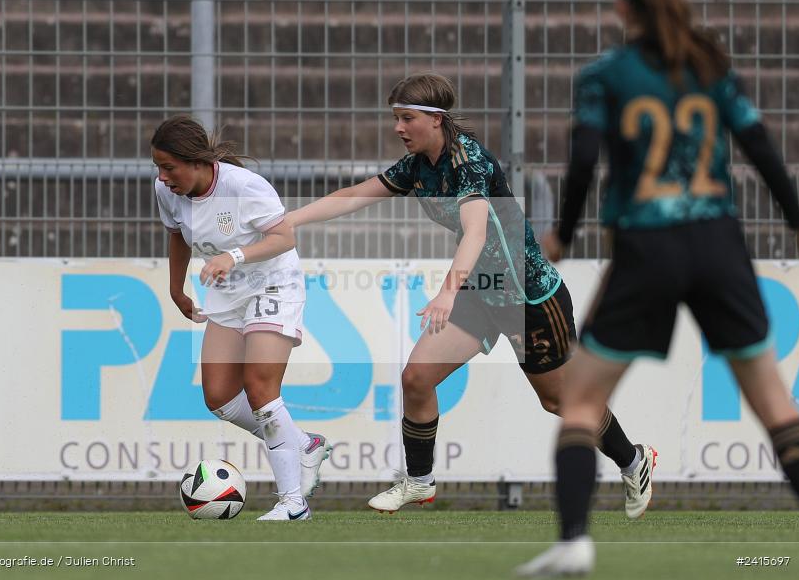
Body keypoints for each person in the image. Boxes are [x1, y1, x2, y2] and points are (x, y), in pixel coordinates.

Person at [517, 0, 799, 575]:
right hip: (719, 246)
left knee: (581, 401)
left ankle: (574, 541)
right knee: (777, 406)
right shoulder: (709, 64)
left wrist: (565, 234)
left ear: (622, 8)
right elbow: (759, 145)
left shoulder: (606, 75)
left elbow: (582, 160)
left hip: (646, 248)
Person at [286, 73, 655, 517]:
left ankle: (634, 461)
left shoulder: (470, 161)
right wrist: (289, 222)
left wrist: (446, 292)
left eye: (407, 118)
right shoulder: (417, 167)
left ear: (436, 120)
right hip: (481, 290)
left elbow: (476, 232)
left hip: (528, 296)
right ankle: (419, 482)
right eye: (396, 119)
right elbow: (352, 198)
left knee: (560, 401)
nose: (398, 128)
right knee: (416, 378)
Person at [151, 114, 332, 521]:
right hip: (228, 294)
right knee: (218, 397)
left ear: (197, 162)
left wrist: (231, 256)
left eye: (168, 167)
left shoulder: (243, 186)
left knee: (260, 387)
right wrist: (175, 288)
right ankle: (302, 443)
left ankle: (293, 503)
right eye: (157, 168)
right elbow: (177, 234)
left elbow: (284, 237)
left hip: (273, 285)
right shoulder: (168, 191)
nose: (162, 177)